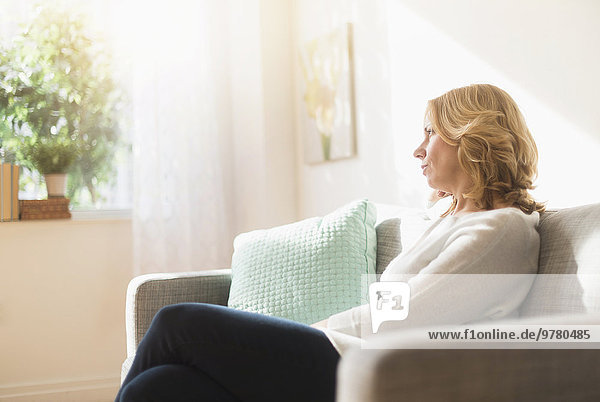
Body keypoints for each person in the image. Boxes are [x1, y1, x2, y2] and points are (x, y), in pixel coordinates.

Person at [115, 84, 544, 402]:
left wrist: (301, 335)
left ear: (471, 136)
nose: (419, 149)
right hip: (352, 356)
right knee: (161, 387)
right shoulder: (450, 219)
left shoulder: (502, 229)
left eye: (430, 133)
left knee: (178, 323)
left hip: (381, 373)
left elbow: (403, 318)